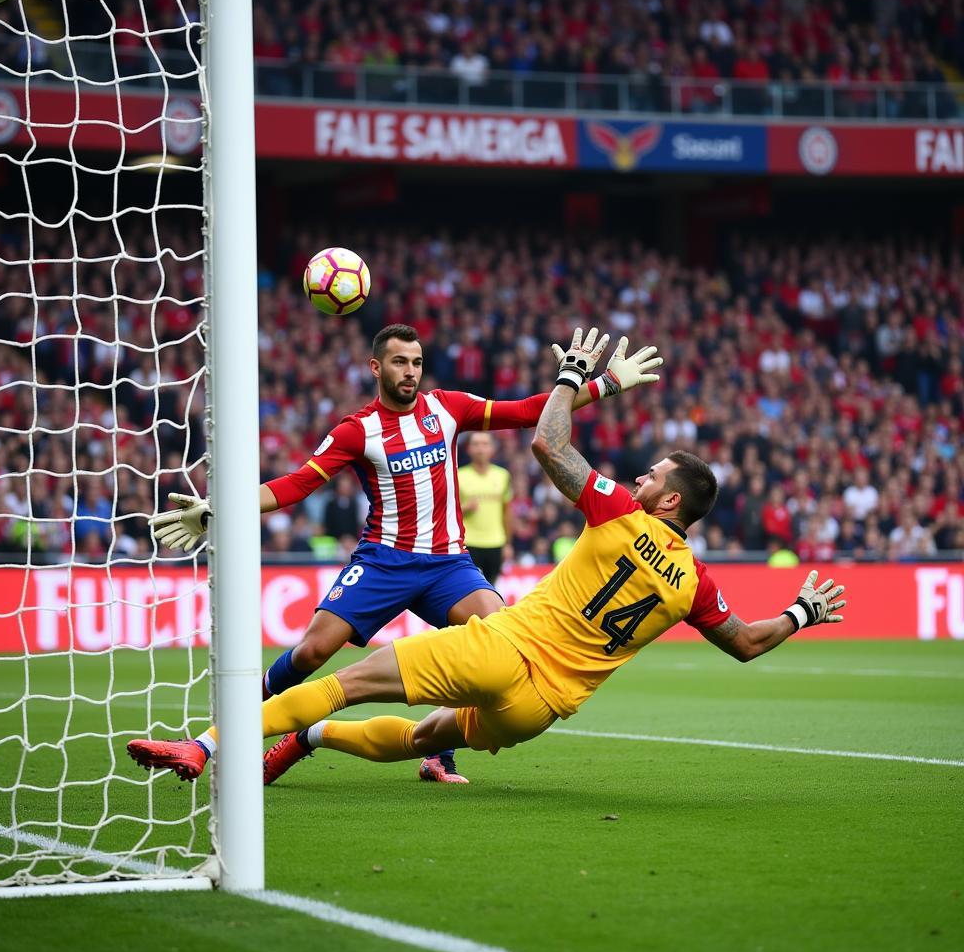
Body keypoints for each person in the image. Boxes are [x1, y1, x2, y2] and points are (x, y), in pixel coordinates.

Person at [129, 329, 846, 785]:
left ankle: (211, 743)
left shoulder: (605, 503)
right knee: (336, 665)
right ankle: (307, 738)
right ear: (376, 365)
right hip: (519, 685)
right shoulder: (693, 580)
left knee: (358, 679)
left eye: (651, 475)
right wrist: (802, 610)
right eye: (400, 361)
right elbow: (748, 642)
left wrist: (579, 380)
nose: (638, 477)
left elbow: (536, 428)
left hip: (456, 576)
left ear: (664, 502)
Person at [139, 323, 632, 785]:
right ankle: (230, 728)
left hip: (448, 567)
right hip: (383, 562)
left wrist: (604, 384)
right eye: (399, 362)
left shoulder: (448, 408)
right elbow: (296, 485)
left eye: (416, 362)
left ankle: (438, 753)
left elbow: (528, 411)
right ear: (377, 368)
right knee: (312, 651)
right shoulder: (357, 430)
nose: (410, 372)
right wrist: (219, 507)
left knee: (493, 638)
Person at [457, 431, 512, 586]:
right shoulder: (459, 476)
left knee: (492, 587)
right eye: (476, 444)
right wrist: (464, 507)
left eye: (485, 444)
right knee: (470, 589)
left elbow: (507, 512)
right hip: (469, 543)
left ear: (492, 449)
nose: (480, 449)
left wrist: (508, 544)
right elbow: (447, 513)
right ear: (468, 449)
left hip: (496, 542)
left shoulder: (502, 475)